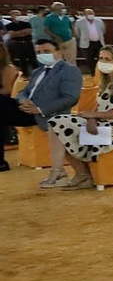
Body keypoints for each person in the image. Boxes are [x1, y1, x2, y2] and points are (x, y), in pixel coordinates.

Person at [42, 44, 113, 190]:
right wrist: (91, 119)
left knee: (59, 125)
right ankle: (75, 173)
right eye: (101, 58)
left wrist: (94, 115)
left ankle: (63, 173)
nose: (103, 62)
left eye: (108, 59)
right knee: (57, 123)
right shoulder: (108, 84)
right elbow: (98, 109)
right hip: (101, 126)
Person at [4, 38, 83, 187]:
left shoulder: (70, 70)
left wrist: (38, 109)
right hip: (26, 109)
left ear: (59, 52)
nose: (42, 55)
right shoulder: (37, 71)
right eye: (39, 52)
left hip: (46, 114)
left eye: (46, 51)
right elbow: (23, 91)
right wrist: (23, 100)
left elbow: (70, 98)